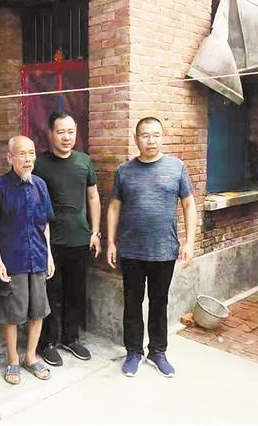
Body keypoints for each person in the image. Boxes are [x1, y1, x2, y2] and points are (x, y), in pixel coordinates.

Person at [106, 116, 197, 378]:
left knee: (159, 302)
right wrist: (110, 241)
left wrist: (189, 242)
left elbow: (189, 204)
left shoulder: (176, 167)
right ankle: (133, 352)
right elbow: (114, 207)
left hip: (163, 249)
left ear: (162, 137)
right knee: (132, 303)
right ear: (136, 139)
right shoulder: (124, 171)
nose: (151, 140)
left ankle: (157, 351)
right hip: (131, 250)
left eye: (156, 135)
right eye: (145, 135)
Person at [0, 135, 55, 385]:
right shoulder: (0, 187)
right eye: (22, 154)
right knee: (11, 314)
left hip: (38, 258)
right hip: (13, 261)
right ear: (10, 157)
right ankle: (13, 359)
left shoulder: (40, 185)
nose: (27, 159)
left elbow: (45, 223)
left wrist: (49, 255)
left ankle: (30, 357)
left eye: (31, 153)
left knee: (38, 311)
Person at [33, 111, 101, 366]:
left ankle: (71, 338)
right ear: (50, 134)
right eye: (61, 131)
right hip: (49, 242)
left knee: (75, 292)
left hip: (79, 239)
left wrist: (95, 232)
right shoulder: (39, 164)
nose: (66, 137)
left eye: (71, 131)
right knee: (50, 292)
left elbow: (93, 196)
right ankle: (47, 342)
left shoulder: (84, 161)